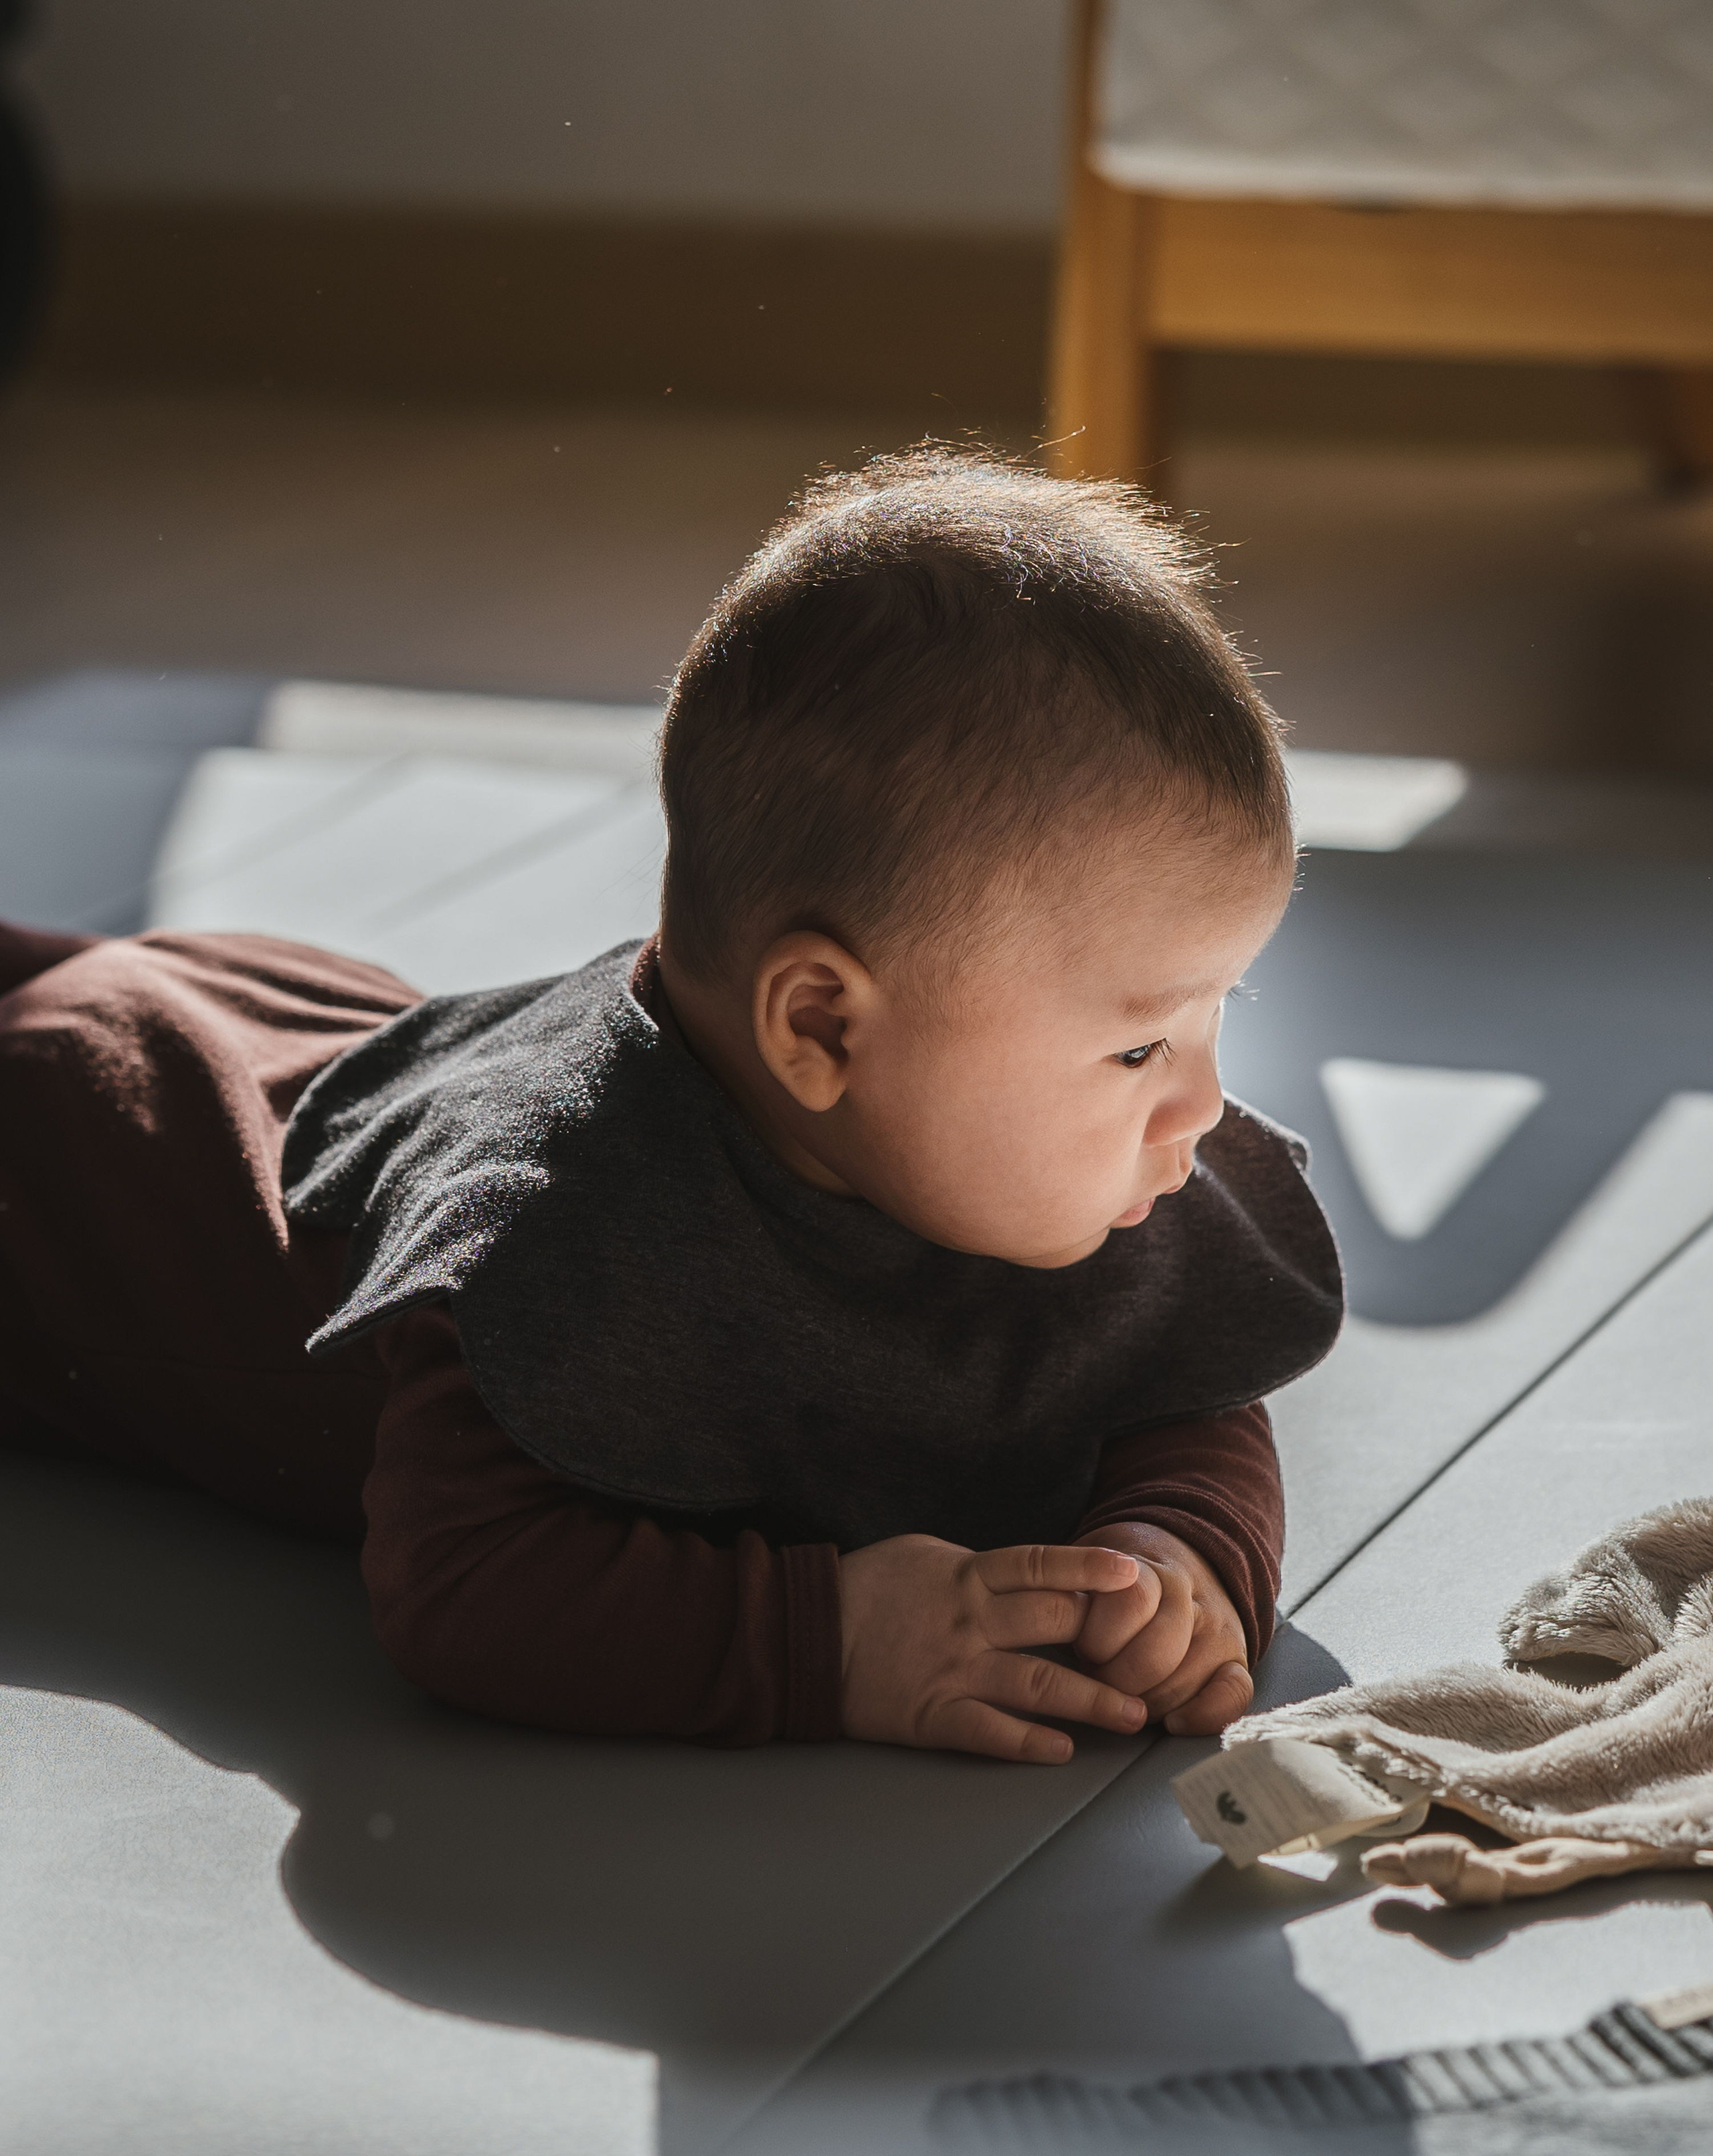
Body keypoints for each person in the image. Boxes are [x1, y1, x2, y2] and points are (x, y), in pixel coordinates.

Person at [0, 448, 1341, 1761]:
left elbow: (1184, 1380)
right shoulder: (555, 1232)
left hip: (339, 1025)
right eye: (1136, 1049)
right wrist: (833, 1641)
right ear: (818, 1025)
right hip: (86, 1149)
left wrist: (1176, 1553)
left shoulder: (1047, 1148)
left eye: (1216, 1016)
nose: (1199, 1106)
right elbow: (465, 1579)